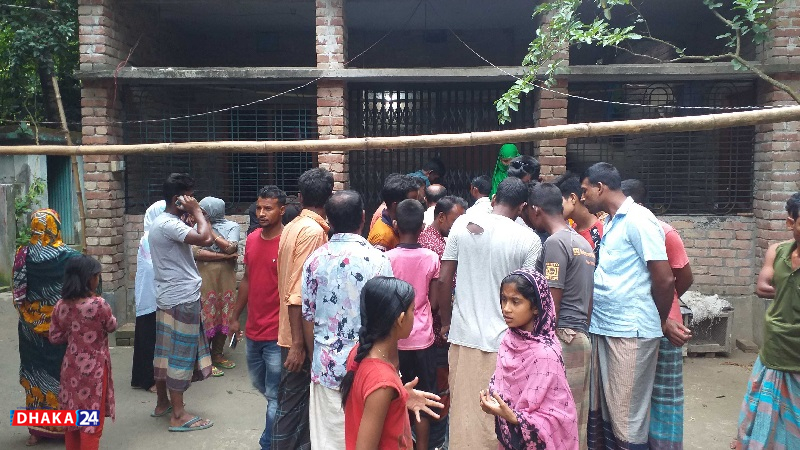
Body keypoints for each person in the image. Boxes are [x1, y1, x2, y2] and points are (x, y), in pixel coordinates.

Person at [438, 177, 542, 450]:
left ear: (494, 199)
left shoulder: (462, 224)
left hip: (463, 336)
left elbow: (444, 278)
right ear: (522, 207)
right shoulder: (529, 240)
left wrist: (446, 322)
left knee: (464, 417)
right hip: (507, 343)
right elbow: (529, 294)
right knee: (498, 420)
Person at [580, 163, 675, 449]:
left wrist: (660, 319)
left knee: (627, 416)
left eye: (585, 190)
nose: (582, 197)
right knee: (608, 412)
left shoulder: (639, 220)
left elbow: (665, 278)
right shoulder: (611, 222)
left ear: (600, 188)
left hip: (630, 331)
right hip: (607, 326)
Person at [301, 190, 395, 449]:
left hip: (326, 365)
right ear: (363, 217)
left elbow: (307, 315)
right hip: (368, 367)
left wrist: (314, 357)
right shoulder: (378, 260)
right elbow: (387, 318)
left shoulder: (314, 261)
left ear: (329, 220)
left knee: (327, 439)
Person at [622, 179, 695, 450]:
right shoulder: (617, 231)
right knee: (634, 398)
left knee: (665, 397)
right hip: (634, 326)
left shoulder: (665, 232)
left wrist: (666, 306)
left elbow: (683, 278)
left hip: (666, 325)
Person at [524, 183, 595, 450]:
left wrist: (539, 341)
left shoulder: (555, 243)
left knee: (557, 419)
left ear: (536, 210)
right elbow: (589, 299)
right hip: (581, 337)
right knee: (576, 417)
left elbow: (551, 301)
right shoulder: (581, 242)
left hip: (562, 338)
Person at [480, 268, 579, 450]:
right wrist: (492, 402)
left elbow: (559, 417)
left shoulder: (546, 353)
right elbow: (502, 388)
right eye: (503, 299)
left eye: (515, 301)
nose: (506, 308)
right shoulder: (509, 340)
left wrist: (516, 418)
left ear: (535, 307)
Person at [341, 277, 444, 450]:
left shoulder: (359, 352)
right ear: (401, 319)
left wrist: (400, 397)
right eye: (413, 310)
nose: (414, 316)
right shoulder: (382, 383)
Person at [149, 173, 215, 432]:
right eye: (191, 196)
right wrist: (197, 211)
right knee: (180, 355)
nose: (194, 200)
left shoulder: (162, 222)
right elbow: (206, 238)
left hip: (169, 295)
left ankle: (162, 403)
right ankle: (178, 414)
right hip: (182, 298)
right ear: (179, 199)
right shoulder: (169, 224)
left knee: (165, 351)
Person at [274, 167, 334, 450]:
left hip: (292, 330)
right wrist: (299, 344)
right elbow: (299, 292)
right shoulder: (312, 232)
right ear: (329, 198)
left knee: (296, 407)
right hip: (298, 334)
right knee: (293, 408)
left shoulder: (293, 226)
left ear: (299, 197)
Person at [734, 192, 800, 449]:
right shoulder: (778, 251)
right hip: (776, 345)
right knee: (765, 408)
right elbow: (762, 286)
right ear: (790, 222)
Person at [12, 208, 82, 445]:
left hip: (30, 330)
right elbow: (86, 292)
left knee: (35, 375)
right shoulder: (71, 257)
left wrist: (32, 316)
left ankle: (36, 431)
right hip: (63, 328)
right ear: (55, 227)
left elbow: (18, 293)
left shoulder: (22, 255)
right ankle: (68, 430)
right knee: (66, 375)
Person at [229, 186, 287, 450]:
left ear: (281, 210)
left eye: (268, 208)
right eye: (259, 208)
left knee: (274, 395)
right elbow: (247, 280)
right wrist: (234, 317)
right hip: (253, 330)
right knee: (260, 384)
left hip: (277, 333)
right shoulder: (252, 239)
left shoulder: (288, 242)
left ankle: (269, 443)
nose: (261, 213)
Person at [387, 199, 441, 450]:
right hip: (422, 339)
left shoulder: (386, 259)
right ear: (422, 227)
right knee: (424, 399)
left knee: (395, 398)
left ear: (395, 225)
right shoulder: (431, 258)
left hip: (394, 340)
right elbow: (435, 302)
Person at [49, 255, 118, 450]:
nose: (98, 279)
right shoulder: (98, 305)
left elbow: (54, 337)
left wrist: (73, 334)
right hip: (95, 371)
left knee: (72, 421)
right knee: (91, 425)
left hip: (70, 368)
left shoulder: (61, 305)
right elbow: (111, 326)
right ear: (89, 278)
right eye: (97, 276)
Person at [418, 195, 467, 449]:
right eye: (456, 220)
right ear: (441, 217)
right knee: (439, 390)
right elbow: (440, 294)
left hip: (428, 330)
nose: (460, 226)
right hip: (436, 331)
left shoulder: (434, 239)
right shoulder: (436, 248)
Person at [195, 196, 240, 376]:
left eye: (204, 211)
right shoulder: (195, 227)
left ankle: (218, 354)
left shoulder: (232, 226)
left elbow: (231, 248)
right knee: (207, 315)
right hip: (205, 276)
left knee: (225, 314)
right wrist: (224, 257)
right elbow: (196, 252)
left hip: (226, 278)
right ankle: (204, 359)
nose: (202, 214)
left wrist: (210, 231)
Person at [132, 200, 166, 392]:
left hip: (154, 294)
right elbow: (153, 267)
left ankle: (143, 377)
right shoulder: (149, 238)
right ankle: (147, 379)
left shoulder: (155, 237)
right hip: (150, 296)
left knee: (151, 337)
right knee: (148, 338)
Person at [555, 173, 604, 261]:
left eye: (559, 202)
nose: (556, 208)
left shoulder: (598, 235)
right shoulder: (572, 228)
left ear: (572, 198)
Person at [368, 174, 419, 252]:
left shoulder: (397, 225)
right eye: (411, 202)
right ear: (395, 205)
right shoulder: (383, 238)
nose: (417, 205)